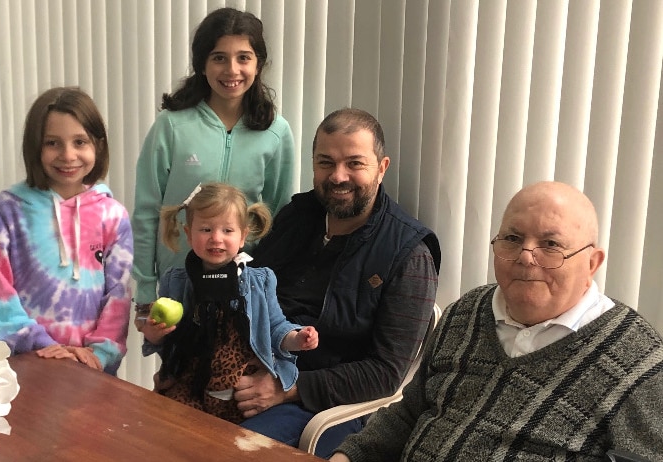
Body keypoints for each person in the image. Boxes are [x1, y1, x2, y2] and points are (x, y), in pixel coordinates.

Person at [330, 181, 663, 462]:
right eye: (513, 239)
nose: (525, 256)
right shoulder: (467, 311)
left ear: (592, 262)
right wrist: (348, 456)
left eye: (550, 244)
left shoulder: (637, 362)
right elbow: (409, 411)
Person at [233, 108, 442, 458]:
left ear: (381, 168)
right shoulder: (296, 216)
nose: (338, 176)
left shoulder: (409, 254)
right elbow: (248, 293)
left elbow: (386, 372)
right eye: (326, 163)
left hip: (322, 403)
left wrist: (287, 388)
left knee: (224, 450)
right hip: (251, 369)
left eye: (355, 164)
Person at [132, 7, 296, 324]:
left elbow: (277, 215)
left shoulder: (276, 133)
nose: (231, 69)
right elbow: (146, 210)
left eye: (243, 57)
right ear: (202, 63)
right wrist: (144, 291)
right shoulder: (172, 126)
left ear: (258, 63)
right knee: (176, 372)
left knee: (234, 371)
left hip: (243, 290)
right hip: (177, 284)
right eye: (219, 57)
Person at [0, 87, 133, 375]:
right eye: (53, 143)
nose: (68, 155)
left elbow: (118, 296)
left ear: (98, 145)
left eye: (80, 142)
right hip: (26, 367)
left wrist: (99, 353)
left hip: (93, 369)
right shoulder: (5, 212)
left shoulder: (113, 215)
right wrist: (39, 345)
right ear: (35, 146)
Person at [139, 182, 319, 424]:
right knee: (172, 428)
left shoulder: (260, 281)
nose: (216, 238)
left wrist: (296, 339)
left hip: (238, 390)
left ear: (243, 236)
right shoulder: (176, 281)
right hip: (189, 383)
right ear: (188, 233)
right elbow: (167, 336)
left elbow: (275, 327)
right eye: (205, 229)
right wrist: (153, 333)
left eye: (227, 230)